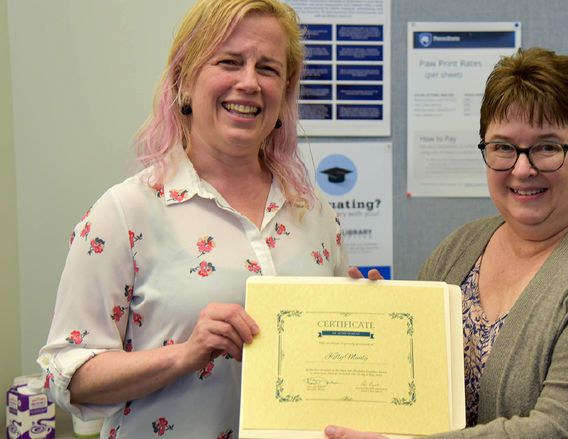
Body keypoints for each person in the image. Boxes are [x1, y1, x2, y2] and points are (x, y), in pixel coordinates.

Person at [333, 47, 568, 438]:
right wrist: (377, 327)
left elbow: (559, 432)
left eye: (547, 147)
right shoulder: (459, 250)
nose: (521, 168)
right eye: (503, 147)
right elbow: (417, 390)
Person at [37, 1, 348, 437]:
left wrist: (361, 315)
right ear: (184, 81)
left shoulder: (315, 216)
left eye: (269, 69)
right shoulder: (126, 213)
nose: (249, 83)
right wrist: (184, 354)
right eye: (229, 62)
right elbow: (65, 373)